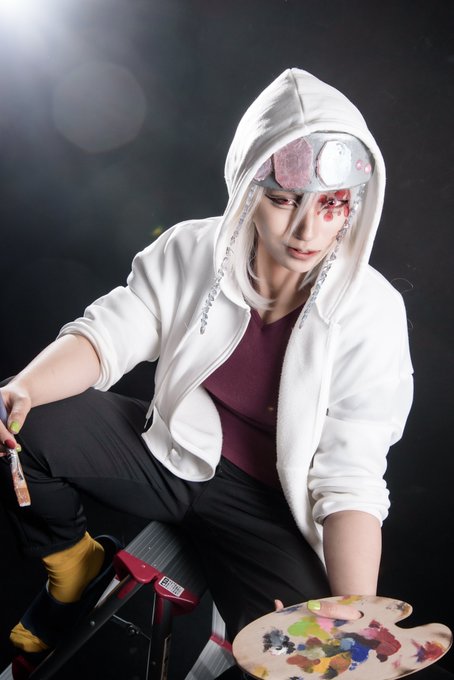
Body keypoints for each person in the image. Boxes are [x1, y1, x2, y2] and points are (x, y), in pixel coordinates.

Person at [0, 67, 414, 679]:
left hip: (270, 512)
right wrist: (22, 389)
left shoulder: (372, 312)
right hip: (170, 454)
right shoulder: (192, 249)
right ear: (248, 187)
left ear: (353, 206)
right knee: (18, 423)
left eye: (330, 205)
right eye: (283, 200)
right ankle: (73, 574)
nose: (307, 230)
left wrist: (355, 617)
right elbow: (107, 335)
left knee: (312, 663)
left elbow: (351, 479)